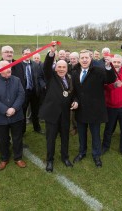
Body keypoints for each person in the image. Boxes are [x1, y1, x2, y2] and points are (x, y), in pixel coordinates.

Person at [72, 49, 116, 167]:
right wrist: (75, 101)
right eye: (82, 58)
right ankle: (82, 152)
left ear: (90, 58)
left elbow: (111, 79)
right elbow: (75, 91)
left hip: (95, 110)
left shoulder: (99, 71)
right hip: (81, 109)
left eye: (87, 58)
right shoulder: (75, 72)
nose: (84, 60)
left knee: (95, 135)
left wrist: (108, 66)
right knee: (81, 134)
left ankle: (96, 155)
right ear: (79, 60)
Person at [39, 43, 78, 172]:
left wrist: (75, 101)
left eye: (63, 67)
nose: (61, 69)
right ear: (56, 68)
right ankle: (50, 160)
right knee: (51, 139)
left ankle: (65, 157)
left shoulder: (70, 78)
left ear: (67, 68)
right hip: (52, 114)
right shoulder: (51, 77)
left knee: (65, 137)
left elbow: (73, 94)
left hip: (65, 114)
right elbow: (45, 67)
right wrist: (51, 54)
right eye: (59, 67)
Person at [0, 61, 27, 170]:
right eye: (6, 68)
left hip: (16, 115)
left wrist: (14, 108)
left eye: (9, 67)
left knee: (17, 138)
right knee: (3, 139)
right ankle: (4, 159)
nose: (9, 69)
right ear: (0, 70)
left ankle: (18, 158)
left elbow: (21, 95)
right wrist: (5, 110)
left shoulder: (17, 80)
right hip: (1, 117)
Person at [12, 48, 44, 135]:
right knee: (23, 111)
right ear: (22, 55)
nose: (28, 55)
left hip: (34, 92)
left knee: (35, 111)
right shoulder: (18, 65)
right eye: (26, 54)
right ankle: (22, 130)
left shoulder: (35, 65)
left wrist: (42, 86)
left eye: (29, 54)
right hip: (23, 92)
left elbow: (39, 77)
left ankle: (37, 127)